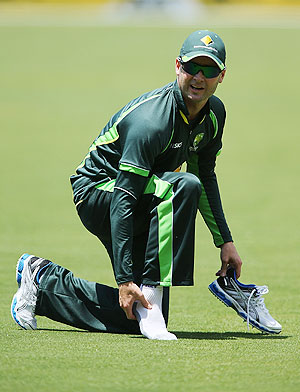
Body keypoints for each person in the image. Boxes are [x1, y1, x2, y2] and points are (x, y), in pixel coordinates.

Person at [11, 30, 281, 339]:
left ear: (222, 76)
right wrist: (125, 279)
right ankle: (147, 292)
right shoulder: (151, 122)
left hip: (145, 194)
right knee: (180, 187)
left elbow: (205, 175)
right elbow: (125, 198)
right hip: (100, 192)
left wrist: (225, 242)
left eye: (209, 70)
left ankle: (42, 281)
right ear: (178, 66)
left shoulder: (214, 114)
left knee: (142, 313)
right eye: (193, 67)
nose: (199, 77)